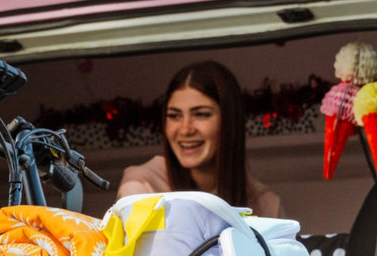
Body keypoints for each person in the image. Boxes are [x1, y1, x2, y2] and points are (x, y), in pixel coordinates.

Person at [117, 60, 281, 218]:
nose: (185, 129)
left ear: (230, 121)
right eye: (174, 115)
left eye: (201, 114)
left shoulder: (265, 204)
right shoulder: (141, 187)